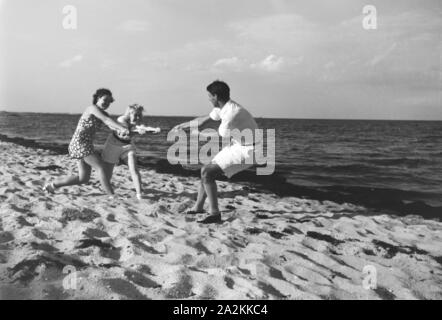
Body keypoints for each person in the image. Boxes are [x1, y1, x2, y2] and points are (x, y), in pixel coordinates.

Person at [171, 80, 260, 224]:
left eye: (209, 96)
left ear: (216, 96)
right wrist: (182, 126)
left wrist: (196, 141)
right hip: (238, 145)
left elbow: (217, 136)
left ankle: (214, 213)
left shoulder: (232, 113)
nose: (208, 98)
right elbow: (202, 122)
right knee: (205, 172)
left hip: (249, 149)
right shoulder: (223, 107)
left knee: (207, 172)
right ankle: (199, 207)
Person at [43, 88, 129, 196]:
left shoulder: (104, 113)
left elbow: (111, 125)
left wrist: (127, 130)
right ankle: (111, 195)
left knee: (83, 178)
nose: (106, 103)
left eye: (109, 102)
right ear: (98, 98)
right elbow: (106, 120)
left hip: (86, 145)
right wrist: (121, 129)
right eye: (104, 100)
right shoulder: (92, 109)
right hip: (79, 143)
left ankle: (52, 185)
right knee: (101, 167)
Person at [101, 104, 161, 200]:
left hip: (128, 146)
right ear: (129, 113)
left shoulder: (137, 121)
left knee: (134, 169)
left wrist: (154, 130)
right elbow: (126, 131)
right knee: (108, 172)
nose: (137, 117)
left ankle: (139, 194)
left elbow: (143, 127)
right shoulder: (121, 119)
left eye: (138, 115)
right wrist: (137, 131)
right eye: (135, 115)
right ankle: (108, 192)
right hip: (113, 145)